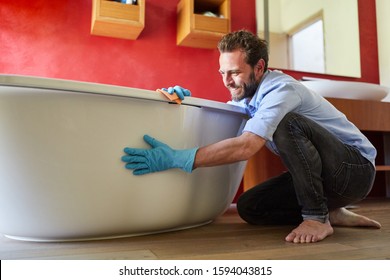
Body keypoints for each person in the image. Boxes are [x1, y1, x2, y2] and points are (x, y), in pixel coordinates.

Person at [121, 30, 381, 243]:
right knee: (250, 207)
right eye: (222, 72)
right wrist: (183, 103)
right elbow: (219, 124)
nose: (226, 81)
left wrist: (177, 159)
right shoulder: (248, 99)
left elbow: (245, 146)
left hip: (354, 170)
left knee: (285, 124)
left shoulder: (282, 90)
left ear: (259, 67)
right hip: (328, 180)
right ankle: (332, 212)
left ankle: (316, 217)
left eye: (234, 72)